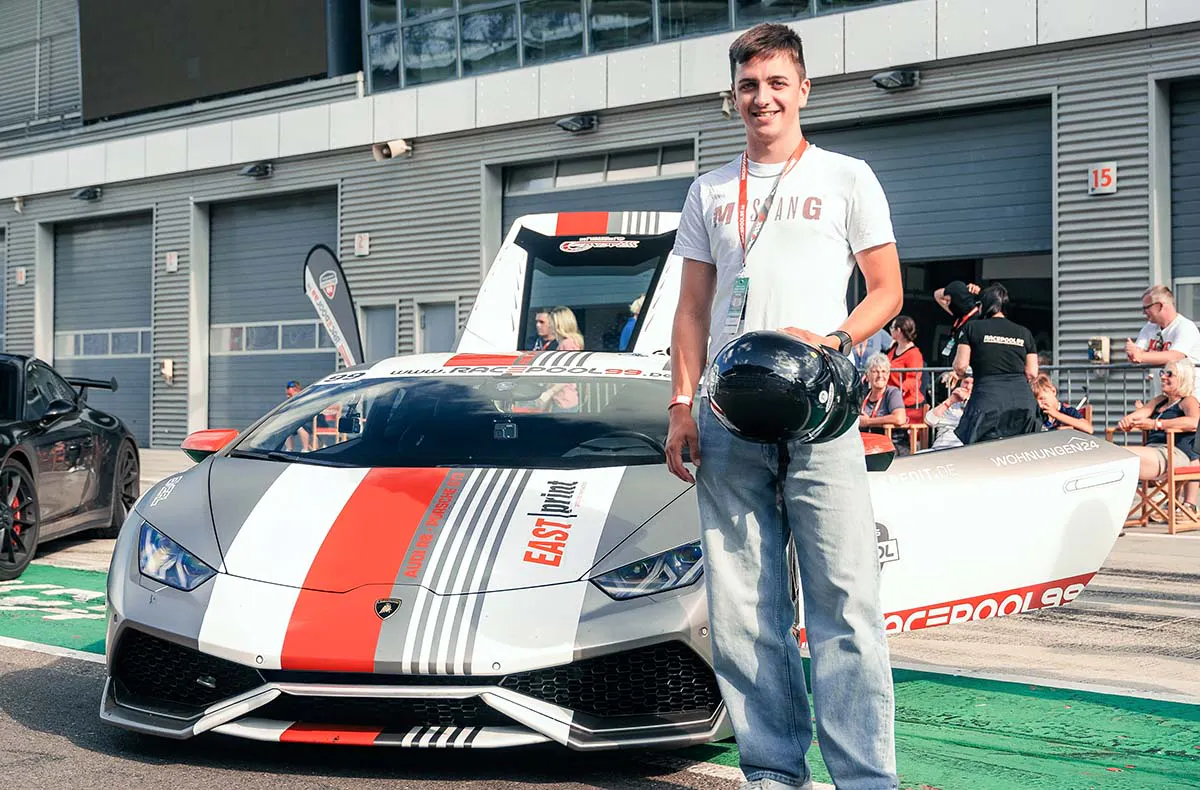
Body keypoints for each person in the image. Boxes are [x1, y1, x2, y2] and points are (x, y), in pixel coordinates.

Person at [664, 23, 901, 790]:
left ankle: (866, 780)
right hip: (728, 419)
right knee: (742, 610)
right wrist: (681, 404)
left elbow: (887, 291)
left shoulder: (847, 177)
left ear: (803, 89)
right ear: (732, 96)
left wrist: (834, 339)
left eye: (775, 83)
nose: (761, 98)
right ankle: (772, 773)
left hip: (819, 415)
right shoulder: (708, 191)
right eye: (747, 86)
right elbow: (691, 310)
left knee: (845, 603)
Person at [953, 283, 1040, 445]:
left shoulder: (972, 328)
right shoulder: (1024, 332)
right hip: (1023, 402)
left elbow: (960, 366)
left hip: (987, 400)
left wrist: (972, 373)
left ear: (983, 305)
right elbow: (1032, 372)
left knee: (981, 452)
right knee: (1022, 450)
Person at [1115, 359, 1200, 511]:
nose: (1163, 377)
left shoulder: (1188, 401)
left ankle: (1120, 511)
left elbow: (1194, 422)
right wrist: (1127, 421)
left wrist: (1157, 424)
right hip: (1154, 451)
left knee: (1120, 456)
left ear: (1183, 378)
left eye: (1169, 374)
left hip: (1174, 453)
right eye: (1162, 373)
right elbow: (1139, 415)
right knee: (1116, 456)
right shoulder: (1159, 401)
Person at [1126, 285, 1200, 366]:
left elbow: (1175, 356)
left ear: (1159, 306)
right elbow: (1138, 354)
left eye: (1146, 307)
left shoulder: (1186, 327)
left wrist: (1141, 356)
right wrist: (1132, 353)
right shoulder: (1149, 327)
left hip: (1186, 375)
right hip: (1162, 375)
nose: (1143, 312)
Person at [534, 306, 584, 411]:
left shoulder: (567, 344)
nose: (550, 325)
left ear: (558, 324)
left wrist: (549, 393)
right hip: (562, 399)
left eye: (552, 322)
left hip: (564, 401)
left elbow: (568, 374)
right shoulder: (569, 342)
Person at [885, 315, 925, 424]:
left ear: (898, 330)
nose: (890, 330)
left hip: (908, 403)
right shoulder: (893, 348)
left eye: (892, 328)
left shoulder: (914, 354)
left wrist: (899, 392)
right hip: (892, 400)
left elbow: (913, 379)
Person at [933, 280, 981, 363]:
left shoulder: (978, 319)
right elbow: (937, 295)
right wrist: (962, 289)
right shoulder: (959, 316)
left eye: (949, 301)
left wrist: (979, 292)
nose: (947, 304)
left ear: (958, 300)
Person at [859, 353, 907, 435]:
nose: (880, 375)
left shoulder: (892, 393)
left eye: (883, 371)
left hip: (889, 439)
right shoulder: (863, 395)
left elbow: (900, 418)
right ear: (867, 376)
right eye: (875, 372)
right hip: (864, 440)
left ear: (888, 375)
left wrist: (868, 422)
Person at [925, 370, 972, 450]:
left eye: (972, 383)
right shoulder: (951, 404)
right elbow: (929, 421)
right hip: (941, 446)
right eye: (966, 382)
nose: (968, 387)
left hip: (965, 449)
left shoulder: (980, 406)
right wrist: (950, 400)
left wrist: (967, 400)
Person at [283, 380, 312, 451]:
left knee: (299, 427)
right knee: (286, 428)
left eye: (289, 389)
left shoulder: (303, 396)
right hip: (296, 419)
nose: (287, 391)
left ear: (295, 389)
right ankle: (289, 449)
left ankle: (305, 449)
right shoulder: (290, 399)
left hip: (307, 420)